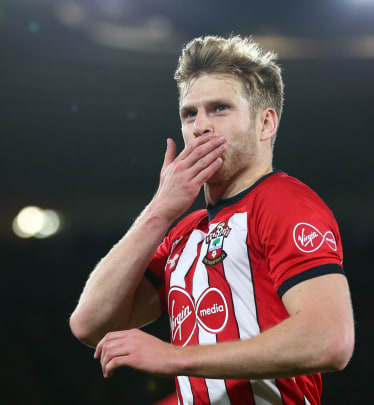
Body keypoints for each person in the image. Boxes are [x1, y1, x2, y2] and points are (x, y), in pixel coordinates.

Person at [70, 35, 354, 405]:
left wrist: (175, 357)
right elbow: (89, 323)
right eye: (190, 113)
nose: (200, 126)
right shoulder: (185, 233)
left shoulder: (283, 201)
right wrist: (160, 209)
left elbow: (330, 339)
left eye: (219, 108)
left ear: (266, 123)